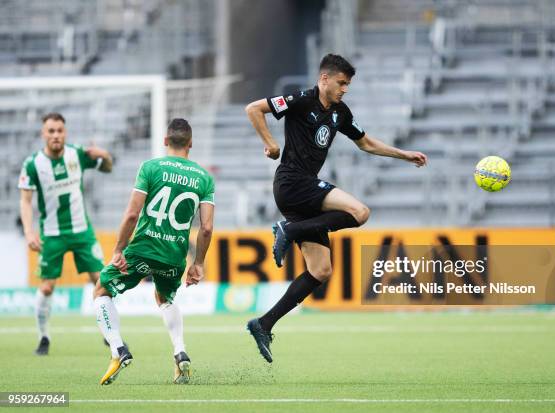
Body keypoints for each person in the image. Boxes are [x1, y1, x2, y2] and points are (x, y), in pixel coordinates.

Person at [244, 54, 427, 362]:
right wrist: (270, 143)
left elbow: (366, 143)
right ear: (325, 79)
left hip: (303, 191)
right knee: (360, 212)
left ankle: (263, 324)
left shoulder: (340, 112)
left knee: (321, 270)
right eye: (342, 83)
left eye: (348, 85)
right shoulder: (301, 99)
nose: (345, 89)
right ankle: (288, 230)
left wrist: (404, 155)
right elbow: (254, 108)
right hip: (292, 183)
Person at [93, 118, 215, 385]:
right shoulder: (204, 178)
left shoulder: (150, 168)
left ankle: (117, 349)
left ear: (164, 141)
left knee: (102, 290)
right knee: (165, 297)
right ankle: (180, 351)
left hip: (143, 249)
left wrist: (118, 249)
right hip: (174, 256)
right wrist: (199, 263)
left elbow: (133, 213)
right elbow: (206, 228)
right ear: (190, 143)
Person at [19, 112, 113, 356]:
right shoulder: (33, 164)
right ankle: (43, 338)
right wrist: (29, 231)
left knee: (102, 281)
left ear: (65, 132)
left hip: (82, 231)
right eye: (51, 131)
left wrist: (104, 156)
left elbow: (107, 169)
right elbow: (26, 201)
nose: (56, 135)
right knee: (47, 287)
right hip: (51, 234)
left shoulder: (77, 154)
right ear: (43, 134)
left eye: (59, 130)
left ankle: (109, 334)